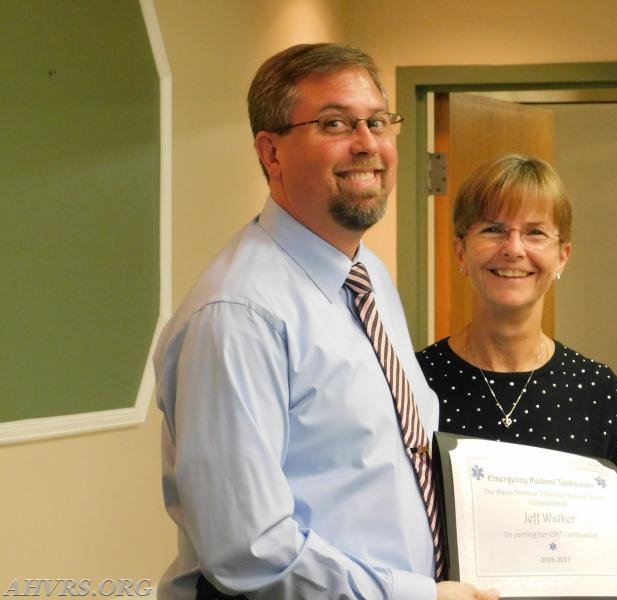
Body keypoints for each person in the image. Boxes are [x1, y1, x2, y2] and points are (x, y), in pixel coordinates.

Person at [153, 43, 499, 600]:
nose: (367, 144)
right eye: (335, 123)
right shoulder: (238, 316)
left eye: (378, 121)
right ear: (272, 153)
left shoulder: (368, 277)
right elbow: (249, 551)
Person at [416, 154, 617, 475]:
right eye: (493, 229)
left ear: (562, 256)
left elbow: (609, 522)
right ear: (461, 252)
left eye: (535, 233)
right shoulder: (414, 382)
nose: (514, 249)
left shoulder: (598, 392)